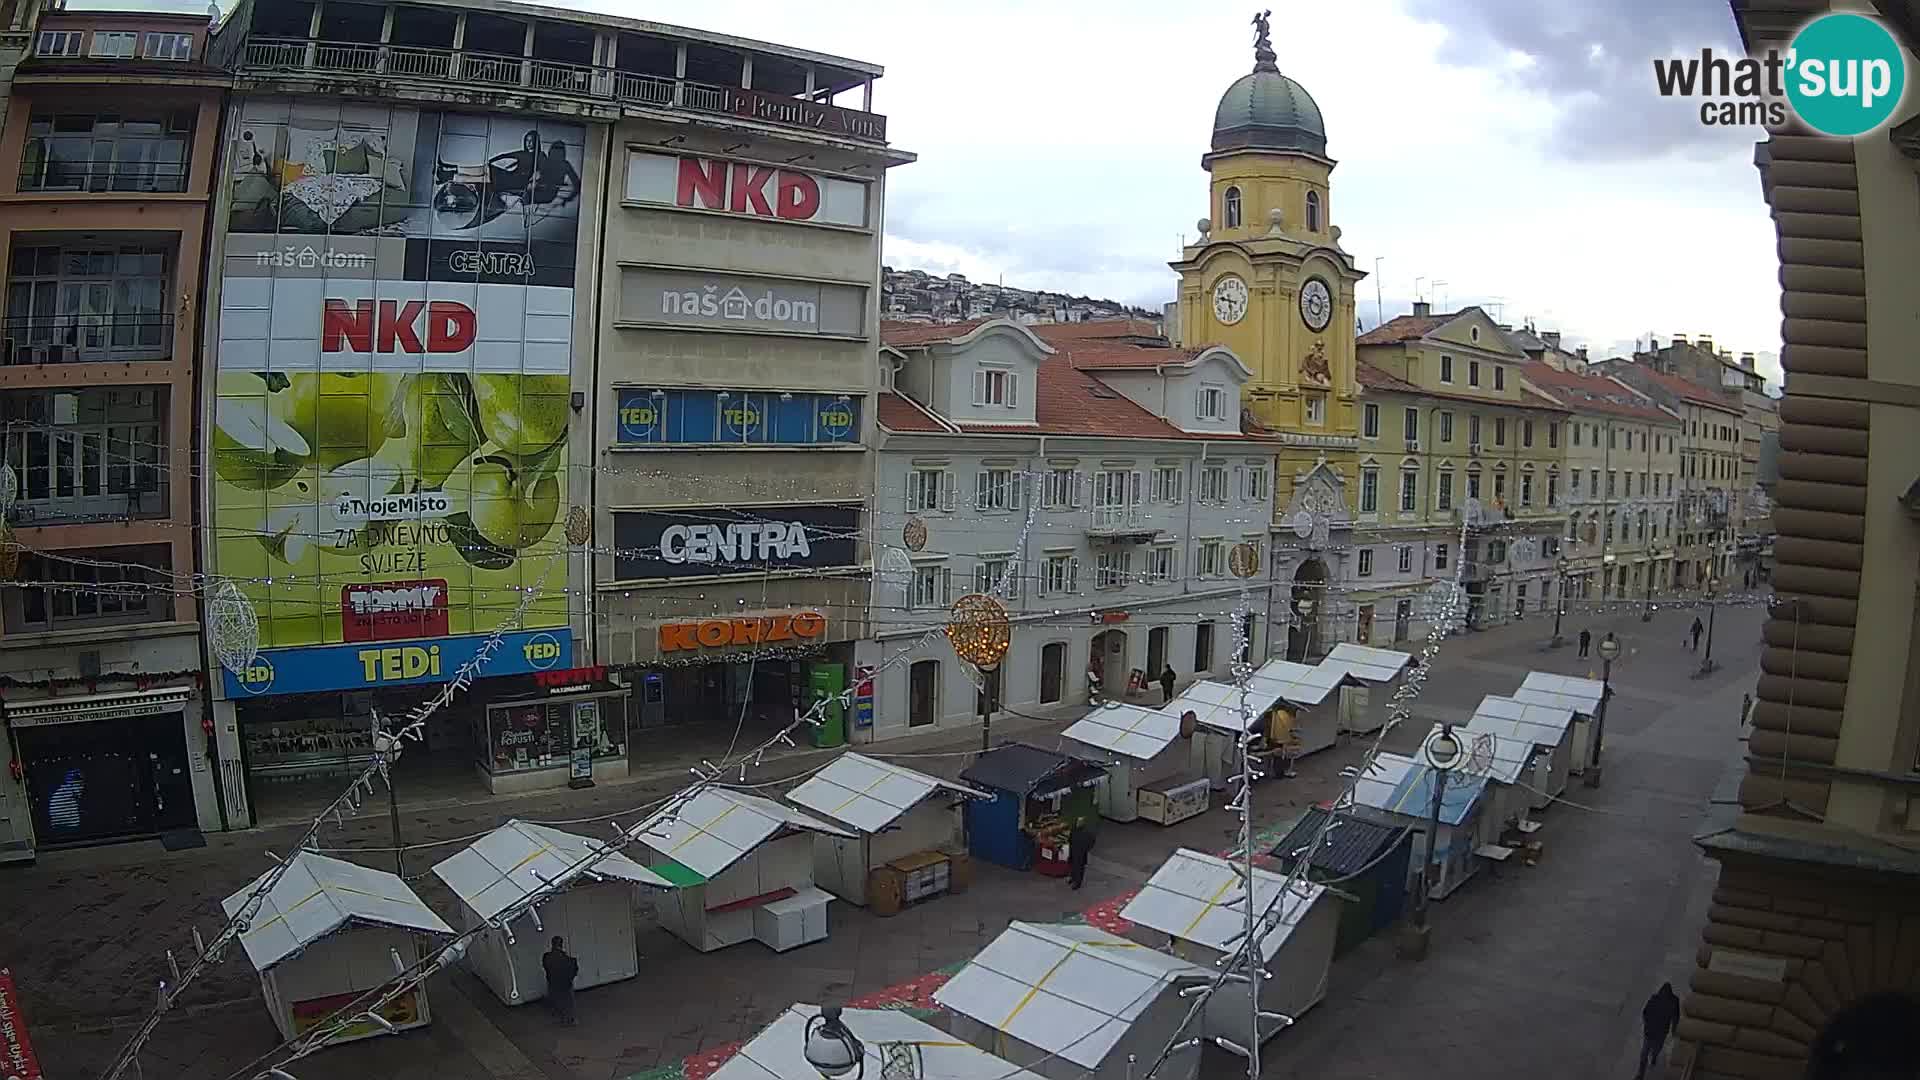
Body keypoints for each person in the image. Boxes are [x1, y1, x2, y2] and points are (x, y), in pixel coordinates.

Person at [1637, 982, 1681, 1080]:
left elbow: (1645, 1012)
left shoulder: (1658, 999)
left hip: (1652, 1032)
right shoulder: (1672, 1001)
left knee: (1646, 1052)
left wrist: (1646, 1024)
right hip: (1658, 1033)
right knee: (1651, 1051)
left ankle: (1642, 1071)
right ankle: (1645, 1068)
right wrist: (1673, 1029)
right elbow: (1676, 1017)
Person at [542, 936, 579, 1026]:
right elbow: (574, 970)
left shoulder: (547, 957)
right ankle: (570, 1019)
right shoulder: (568, 960)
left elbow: (546, 967)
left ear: (552, 944)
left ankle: (559, 1018)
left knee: (556, 1000)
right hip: (566, 984)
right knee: (568, 1002)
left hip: (553, 983)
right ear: (561, 945)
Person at [1066, 819, 1096, 891]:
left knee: (1079, 869)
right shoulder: (1074, 831)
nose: (1077, 824)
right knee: (1073, 866)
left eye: (1079, 823)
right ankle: (1073, 878)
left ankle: (1077, 883)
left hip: (1081, 854)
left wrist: (1086, 849)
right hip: (1073, 851)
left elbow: (1092, 842)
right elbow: (1070, 839)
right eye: (1077, 823)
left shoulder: (1087, 833)